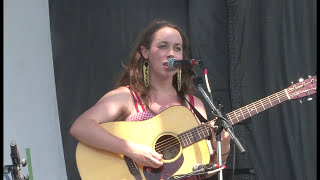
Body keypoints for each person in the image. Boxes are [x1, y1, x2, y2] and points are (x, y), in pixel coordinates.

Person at [70, 19, 230, 180]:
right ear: (145, 52)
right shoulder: (125, 96)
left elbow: (202, 172)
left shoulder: (195, 105)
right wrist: (131, 150)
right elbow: (81, 127)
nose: (171, 53)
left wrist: (223, 146)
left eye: (177, 48)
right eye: (163, 46)